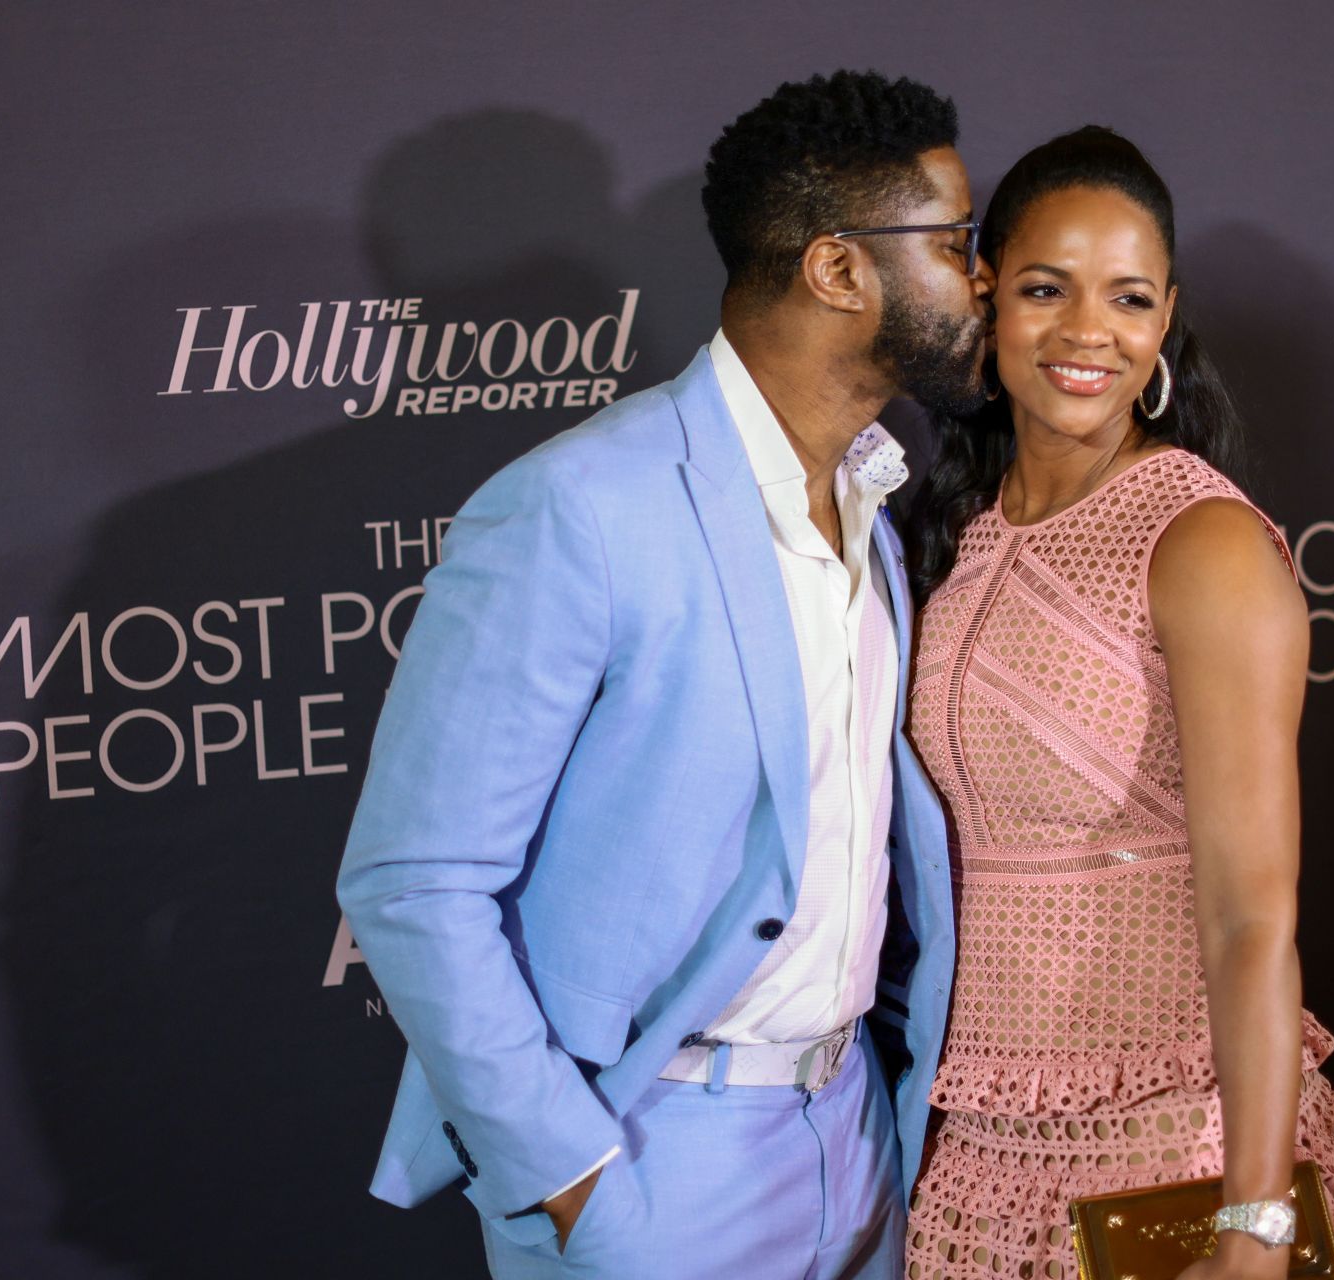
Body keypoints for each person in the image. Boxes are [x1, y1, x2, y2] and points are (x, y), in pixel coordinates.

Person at [336, 70, 991, 1278]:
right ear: (839, 270)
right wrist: (576, 1179)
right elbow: (413, 879)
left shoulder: (875, 493)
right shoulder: (579, 506)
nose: (986, 278)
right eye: (955, 242)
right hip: (649, 1155)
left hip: (854, 1134)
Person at [899, 127, 1334, 1280]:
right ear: (988, 298)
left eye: (1129, 299)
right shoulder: (960, 535)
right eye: (1047, 289)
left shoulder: (1203, 540)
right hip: (987, 1173)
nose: (1090, 332)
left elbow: (1252, 914)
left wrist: (1257, 1220)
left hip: (1184, 1156)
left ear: (1165, 324)